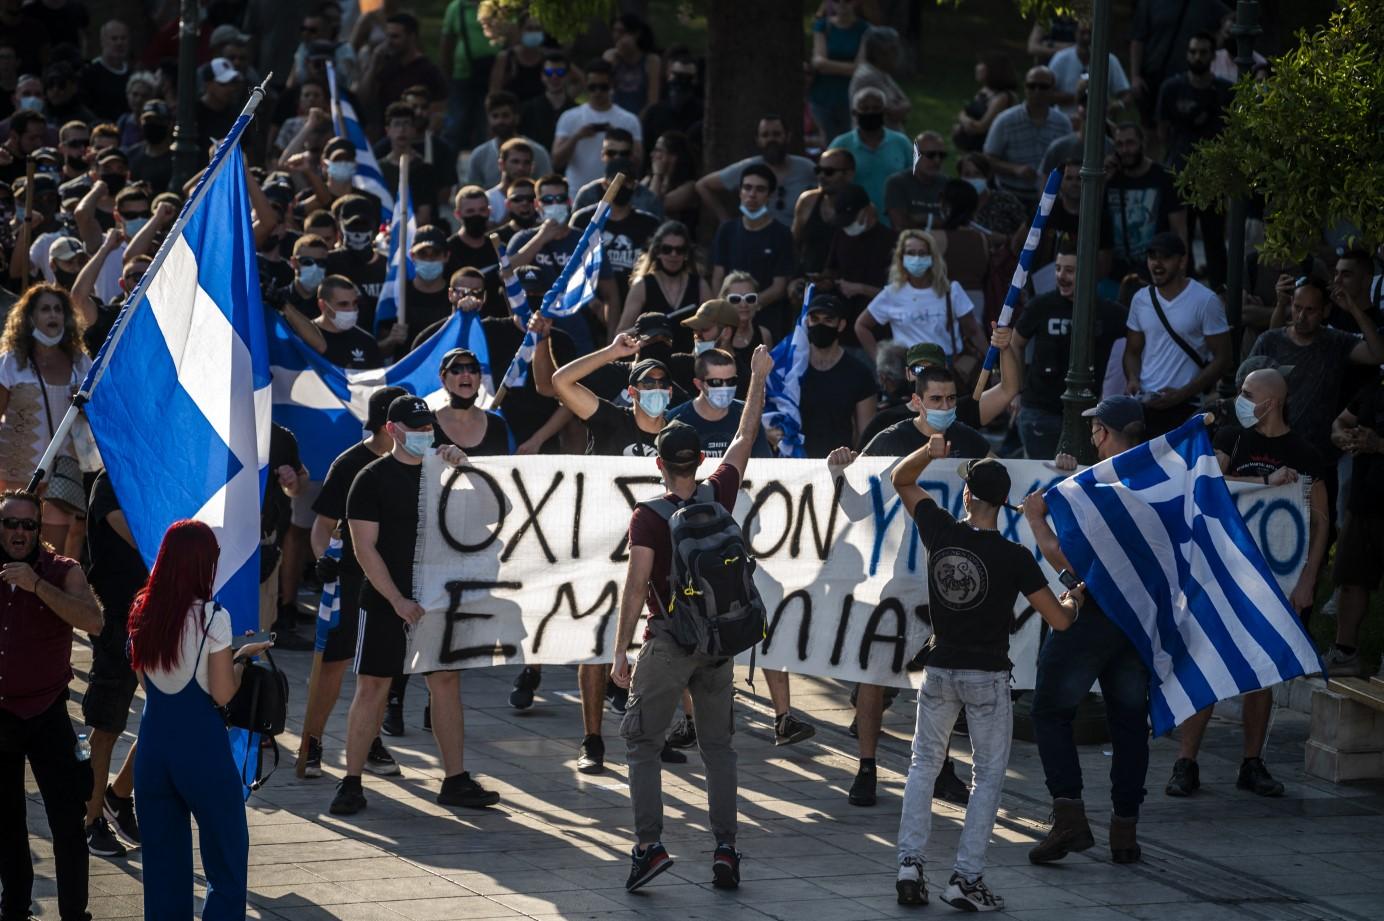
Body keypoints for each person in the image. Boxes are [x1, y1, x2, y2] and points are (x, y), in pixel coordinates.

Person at [610, 344, 773, 893]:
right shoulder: (720, 493)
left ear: (658, 464)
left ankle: (649, 846)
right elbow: (745, 435)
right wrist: (757, 378)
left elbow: (636, 588)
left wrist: (619, 652)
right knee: (719, 748)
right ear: (698, 461)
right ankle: (726, 849)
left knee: (641, 743)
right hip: (720, 642)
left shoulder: (648, 517)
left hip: (669, 642)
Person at [889, 447, 1079, 910]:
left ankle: (909, 864)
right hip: (987, 675)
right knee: (987, 776)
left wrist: (929, 450)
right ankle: (966, 878)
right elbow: (1059, 620)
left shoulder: (940, 530)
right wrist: (1074, 596)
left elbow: (901, 478)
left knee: (922, 765)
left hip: (939, 669)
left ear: (968, 495)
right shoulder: (1015, 557)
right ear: (1003, 503)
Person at [331, 395, 502, 814]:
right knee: (373, 685)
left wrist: (464, 469)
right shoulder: (370, 478)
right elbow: (364, 548)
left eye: (429, 429)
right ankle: (351, 781)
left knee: (445, 682)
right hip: (388, 599)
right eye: (416, 429)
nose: (426, 436)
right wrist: (396, 600)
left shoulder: (443, 473)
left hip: (436, 598)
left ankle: (456, 779)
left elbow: (495, 512)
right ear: (392, 430)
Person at [1165, 367, 1330, 799]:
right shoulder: (1232, 441)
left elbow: (1321, 521)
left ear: (1270, 401)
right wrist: (1263, 482)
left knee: (1262, 673)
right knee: (1206, 665)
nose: (1239, 398)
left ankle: (1252, 762)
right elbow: (1208, 484)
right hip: (1219, 577)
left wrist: (1308, 580)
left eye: (1247, 392)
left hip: (1273, 583)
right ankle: (1186, 762)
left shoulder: (1307, 454)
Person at [546, 333, 688, 773]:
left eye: (664, 386)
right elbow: (560, 382)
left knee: (657, 647)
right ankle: (592, 740)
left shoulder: (677, 432)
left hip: (659, 556)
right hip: (600, 552)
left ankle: (652, 731)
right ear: (632, 392)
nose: (657, 393)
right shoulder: (610, 421)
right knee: (595, 646)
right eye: (648, 385)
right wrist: (610, 353)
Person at [1021, 396, 1153, 866]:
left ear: (1101, 433)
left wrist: (1037, 520)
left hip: (1096, 615)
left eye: (1095, 428)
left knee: (1049, 710)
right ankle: (1125, 832)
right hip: (1138, 621)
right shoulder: (1156, 480)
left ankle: (1070, 818)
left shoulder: (1099, 487)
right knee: (1129, 722)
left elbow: (1070, 561)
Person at [126, 520, 272, 920]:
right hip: (201, 750)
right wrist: (241, 660)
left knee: (162, 868)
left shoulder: (142, 612)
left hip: (154, 748)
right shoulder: (213, 617)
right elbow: (223, 693)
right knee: (225, 862)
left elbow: (146, 680)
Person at [0, 488, 102, 921]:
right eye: (10, 523)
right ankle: (15, 910)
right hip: (1, 715)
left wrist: (36, 585)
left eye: (28, 524)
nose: (19, 532)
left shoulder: (62, 570)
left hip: (47, 713)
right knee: (6, 826)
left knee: (67, 824)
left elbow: (93, 621)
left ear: (39, 529)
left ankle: (73, 915)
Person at [300, 386, 409, 780]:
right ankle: (311, 739)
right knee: (334, 662)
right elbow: (322, 526)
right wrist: (322, 560)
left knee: (381, 668)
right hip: (350, 578)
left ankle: (369, 740)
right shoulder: (350, 465)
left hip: (392, 582)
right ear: (387, 425)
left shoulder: (416, 462)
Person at [79, 469, 146, 858]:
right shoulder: (112, 480)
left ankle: (119, 795)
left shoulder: (153, 473)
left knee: (167, 713)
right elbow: (145, 538)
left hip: (156, 611)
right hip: (116, 617)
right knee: (105, 726)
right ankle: (90, 821)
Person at [1011, 243, 1126, 459]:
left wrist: (1133, 378)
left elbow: (1136, 342)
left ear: (1089, 272)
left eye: (1069, 270)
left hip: (1089, 416)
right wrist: (1015, 391)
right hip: (1039, 411)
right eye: (1057, 269)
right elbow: (1014, 343)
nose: (1061, 276)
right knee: (1042, 480)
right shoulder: (1041, 306)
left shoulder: (1109, 312)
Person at [0, 284, 93, 553]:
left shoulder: (80, 363)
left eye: (58, 309)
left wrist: (87, 405)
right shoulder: (11, 363)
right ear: (30, 317)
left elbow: (99, 416)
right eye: (45, 309)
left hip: (63, 471)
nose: (53, 315)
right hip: (17, 472)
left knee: (53, 554)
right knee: (17, 546)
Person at [1122, 232, 1230, 436]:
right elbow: (1132, 352)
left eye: (1165, 257)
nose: (1157, 263)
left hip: (1187, 407)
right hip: (1146, 405)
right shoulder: (1140, 299)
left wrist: (1182, 394)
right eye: (1152, 257)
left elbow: (1223, 358)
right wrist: (1133, 379)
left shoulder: (1205, 300)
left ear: (1183, 261)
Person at [1156, 32, 1233, 287]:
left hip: (1213, 178)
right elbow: (1162, 131)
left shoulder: (1224, 91)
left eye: (1202, 52)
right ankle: (1179, 287)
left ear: (1212, 55)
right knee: (1179, 238)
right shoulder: (1172, 88)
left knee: (1214, 239)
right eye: (1193, 51)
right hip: (1179, 175)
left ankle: (1220, 291)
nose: (1197, 57)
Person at [1326, 369, 1384, 678]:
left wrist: (1380, 445)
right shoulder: (1373, 386)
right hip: (1363, 501)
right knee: (1350, 578)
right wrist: (1339, 433)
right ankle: (1344, 653)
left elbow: (1375, 442)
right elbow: (1341, 420)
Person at [856, 230, 987, 366]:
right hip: (908, 370)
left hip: (945, 368)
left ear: (932, 258)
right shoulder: (892, 293)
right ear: (901, 258)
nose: (916, 258)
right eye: (911, 253)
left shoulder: (951, 290)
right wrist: (881, 362)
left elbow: (973, 331)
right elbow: (861, 325)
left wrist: (994, 365)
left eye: (922, 253)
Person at [709, 163, 794, 339]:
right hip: (729, 323)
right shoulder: (727, 230)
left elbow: (779, 287)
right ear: (740, 192)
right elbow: (718, 276)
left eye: (760, 189)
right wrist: (723, 310)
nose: (752, 194)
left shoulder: (782, 234)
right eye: (747, 188)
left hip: (768, 323)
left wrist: (746, 305)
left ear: (769, 196)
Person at [793, 294, 876, 458]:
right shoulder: (790, 370)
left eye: (828, 320)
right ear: (806, 321)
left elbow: (866, 435)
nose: (820, 325)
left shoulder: (859, 373)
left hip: (841, 466)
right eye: (814, 319)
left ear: (841, 324)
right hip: (794, 464)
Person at [696, 115, 817, 228]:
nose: (771, 139)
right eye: (765, 135)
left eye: (776, 134)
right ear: (758, 140)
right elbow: (703, 185)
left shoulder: (807, 168)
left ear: (787, 136)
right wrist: (724, 220)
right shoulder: (748, 168)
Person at [1104, 122, 1186, 281]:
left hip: (1156, 270)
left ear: (1143, 143)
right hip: (1114, 270)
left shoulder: (1164, 178)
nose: (1125, 150)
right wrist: (1102, 181)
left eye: (1130, 143)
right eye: (1119, 144)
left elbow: (1180, 230)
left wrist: (1180, 275)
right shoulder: (1110, 177)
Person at [982, 66, 1071, 206]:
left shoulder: (1062, 123)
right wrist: (1015, 169)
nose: (1037, 91)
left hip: (1050, 199)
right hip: (1009, 196)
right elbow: (987, 158)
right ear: (1025, 88)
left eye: (1043, 86)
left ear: (1052, 89)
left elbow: (1070, 160)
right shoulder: (1005, 120)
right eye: (1032, 86)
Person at [552, 60, 642, 191]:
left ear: (612, 85)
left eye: (603, 87)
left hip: (618, 192)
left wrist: (619, 140)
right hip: (576, 191)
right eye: (592, 87)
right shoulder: (569, 117)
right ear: (586, 86)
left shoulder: (629, 120)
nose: (597, 92)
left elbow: (638, 162)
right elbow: (556, 160)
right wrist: (577, 137)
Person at [827, 87, 913, 224]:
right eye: (865, 108)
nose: (870, 112)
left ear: (884, 112)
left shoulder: (901, 143)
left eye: (876, 108)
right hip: (853, 225)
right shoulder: (841, 144)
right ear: (854, 113)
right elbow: (826, 182)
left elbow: (914, 180)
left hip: (894, 225)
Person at [617, 220, 707, 347]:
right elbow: (621, 334)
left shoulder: (699, 285)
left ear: (686, 253)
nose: (673, 254)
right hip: (653, 362)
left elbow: (715, 325)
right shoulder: (642, 285)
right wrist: (647, 329)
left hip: (691, 360)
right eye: (667, 249)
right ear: (657, 251)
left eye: (679, 250)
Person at [278, 274, 383, 371]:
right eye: (343, 304)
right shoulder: (302, 337)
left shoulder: (367, 342)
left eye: (355, 303)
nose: (352, 309)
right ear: (323, 305)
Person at [462, 91, 553, 190]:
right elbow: (472, 194)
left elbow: (548, 190)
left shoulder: (538, 152)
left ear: (516, 118)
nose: (500, 121)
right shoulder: (479, 155)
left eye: (505, 116)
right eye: (495, 116)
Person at [808, 0, 869, 143]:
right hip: (822, 97)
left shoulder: (865, 29)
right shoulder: (823, 26)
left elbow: (861, 68)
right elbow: (818, 63)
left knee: (851, 142)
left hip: (851, 98)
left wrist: (828, 66)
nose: (842, 3)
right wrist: (850, 68)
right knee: (828, 143)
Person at [792, 147, 856, 276]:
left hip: (846, 287)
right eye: (818, 170)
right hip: (809, 282)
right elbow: (793, 245)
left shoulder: (861, 208)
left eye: (829, 172)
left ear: (849, 174)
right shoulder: (807, 201)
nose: (821, 176)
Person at [1048, 19, 1131, 118]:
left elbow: (1127, 95)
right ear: (1075, 34)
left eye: (1091, 33)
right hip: (1065, 122)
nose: (1087, 37)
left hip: (1099, 122)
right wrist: (1078, 96)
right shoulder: (1060, 58)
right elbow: (1046, 93)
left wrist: (1115, 106)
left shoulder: (1110, 60)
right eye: (1083, 32)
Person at [953, 52, 1020, 153]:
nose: (977, 68)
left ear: (994, 69)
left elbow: (981, 127)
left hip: (991, 150)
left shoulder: (1003, 98)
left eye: (981, 64)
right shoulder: (983, 92)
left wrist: (964, 120)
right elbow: (966, 114)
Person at [721, 272, 774, 395]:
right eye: (735, 299)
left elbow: (769, 379)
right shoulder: (717, 335)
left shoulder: (764, 335)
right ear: (724, 302)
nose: (743, 304)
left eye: (750, 298)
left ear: (757, 302)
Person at [849, 26, 911, 131]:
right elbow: (895, 113)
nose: (897, 54)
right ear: (879, 52)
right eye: (893, 49)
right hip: (874, 142)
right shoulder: (868, 76)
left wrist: (904, 107)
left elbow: (906, 102)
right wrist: (903, 107)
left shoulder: (881, 72)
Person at [885, 131, 949, 231]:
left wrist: (920, 219)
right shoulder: (897, 183)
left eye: (941, 155)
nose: (937, 160)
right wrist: (936, 221)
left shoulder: (948, 185)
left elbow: (955, 225)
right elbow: (900, 225)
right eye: (930, 155)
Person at [518, 49, 576, 151]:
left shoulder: (576, 110)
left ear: (568, 76)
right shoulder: (528, 108)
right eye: (549, 72)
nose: (554, 77)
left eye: (560, 72)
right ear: (542, 76)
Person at [603, 13, 661, 116]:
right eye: (614, 31)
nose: (616, 36)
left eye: (621, 32)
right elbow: (605, 90)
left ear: (636, 34)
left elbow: (652, 101)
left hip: (640, 118)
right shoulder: (610, 57)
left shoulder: (651, 61)